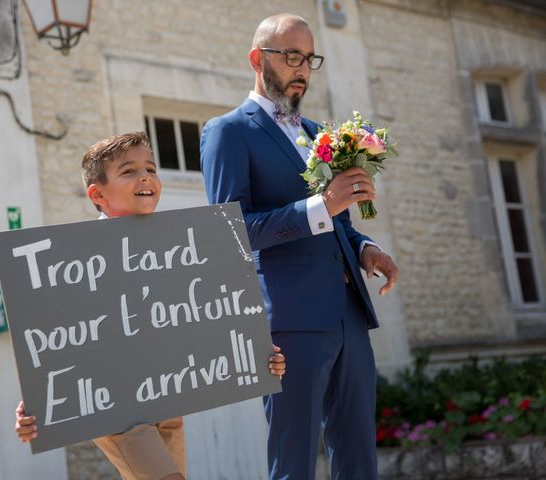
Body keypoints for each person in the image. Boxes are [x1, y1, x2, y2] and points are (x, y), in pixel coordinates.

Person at [14, 132, 287, 480]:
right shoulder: (72, 263)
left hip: (167, 399)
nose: (145, 177)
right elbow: (57, 339)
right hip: (114, 408)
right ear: (98, 194)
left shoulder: (178, 250)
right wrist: (35, 402)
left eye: (151, 168)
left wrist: (256, 351)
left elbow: (203, 315)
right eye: (129, 171)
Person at [200, 14, 399, 480]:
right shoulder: (229, 131)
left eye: (310, 59)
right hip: (289, 324)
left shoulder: (315, 133)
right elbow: (229, 233)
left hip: (349, 313)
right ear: (257, 59)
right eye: (291, 56)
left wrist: (366, 245)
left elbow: (338, 222)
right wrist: (322, 205)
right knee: (294, 464)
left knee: (358, 459)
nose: (302, 69)